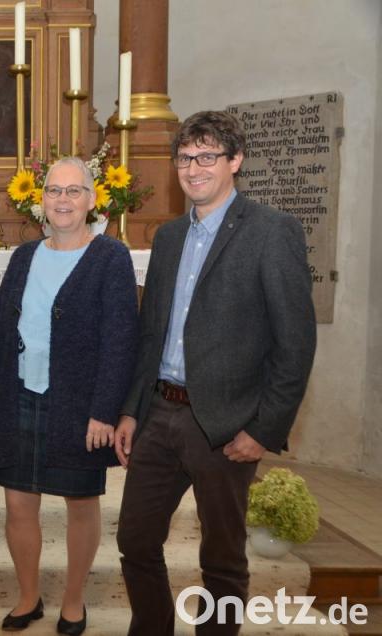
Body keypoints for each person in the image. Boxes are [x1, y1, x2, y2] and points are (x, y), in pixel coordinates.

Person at [115, 110, 317, 635]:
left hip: (226, 423)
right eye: (185, 158)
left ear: (235, 160)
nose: (194, 168)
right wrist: (131, 411)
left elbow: (295, 345)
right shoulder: (167, 237)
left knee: (222, 559)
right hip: (160, 411)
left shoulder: (271, 232)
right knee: (135, 540)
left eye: (207, 156)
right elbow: (150, 334)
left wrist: (264, 429)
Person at [0, 157, 139, 634]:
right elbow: (3, 336)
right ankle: (28, 596)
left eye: (74, 191)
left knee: (81, 503)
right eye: (54, 190)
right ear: (42, 200)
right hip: (20, 396)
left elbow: (121, 341)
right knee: (18, 504)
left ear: (92, 200)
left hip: (79, 406)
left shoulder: (110, 258)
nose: (63, 200)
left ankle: (73, 601)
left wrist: (104, 411)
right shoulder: (23, 257)